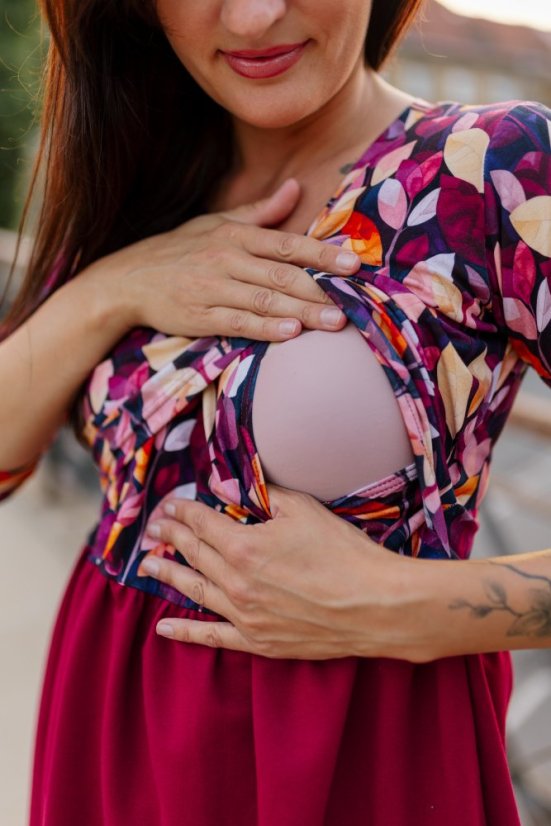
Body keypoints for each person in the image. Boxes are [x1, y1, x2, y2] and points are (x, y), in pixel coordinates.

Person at [1, 0, 550, 823]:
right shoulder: (143, 173)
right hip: (106, 761)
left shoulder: (488, 168)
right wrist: (109, 291)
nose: (254, 17)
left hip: (355, 772)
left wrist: (401, 607)